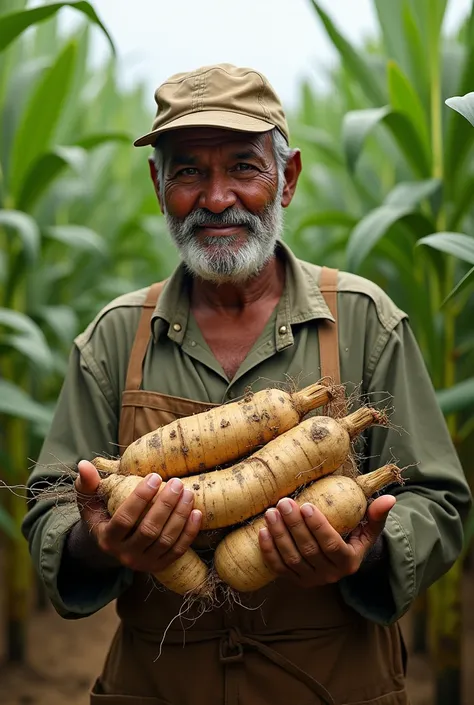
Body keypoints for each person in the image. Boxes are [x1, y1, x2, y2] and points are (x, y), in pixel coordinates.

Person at [22, 63, 471, 705]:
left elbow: (441, 504)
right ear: (158, 185)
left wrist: (361, 556)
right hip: (158, 688)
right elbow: (51, 509)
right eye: (187, 172)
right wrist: (99, 542)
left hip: (332, 688)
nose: (216, 198)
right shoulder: (115, 336)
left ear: (285, 179)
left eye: (243, 167)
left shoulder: (366, 320)